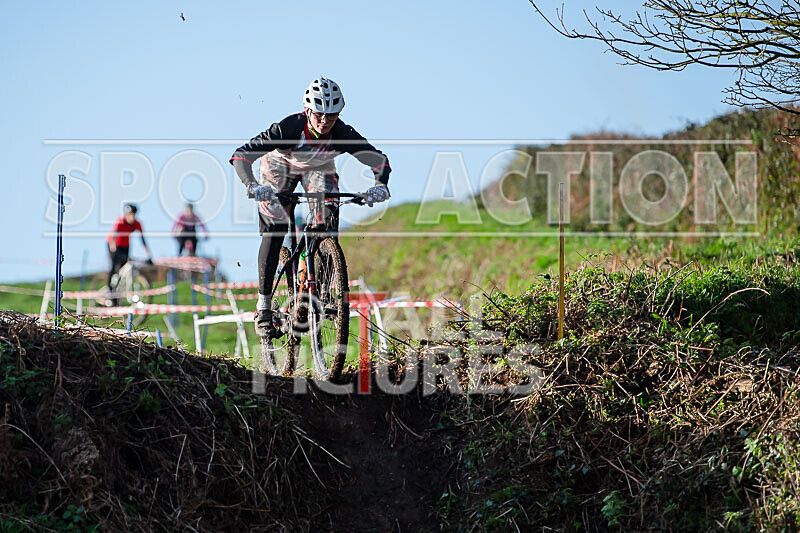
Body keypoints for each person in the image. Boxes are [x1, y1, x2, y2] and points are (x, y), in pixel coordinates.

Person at [229, 76, 391, 337]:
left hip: (317, 169)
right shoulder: (287, 128)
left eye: (331, 116)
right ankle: (264, 307)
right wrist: (251, 185)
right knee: (276, 228)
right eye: (319, 115)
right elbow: (241, 155)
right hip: (279, 167)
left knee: (328, 214)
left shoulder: (341, 133)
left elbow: (379, 160)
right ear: (307, 111)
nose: (325, 121)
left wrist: (380, 185)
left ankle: (323, 286)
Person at [106, 203, 153, 290]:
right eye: (130, 215)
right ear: (126, 215)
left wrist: (148, 255)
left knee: (125, 266)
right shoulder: (120, 222)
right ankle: (110, 289)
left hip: (125, 245)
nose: (132, 217)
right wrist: (113, 248)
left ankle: (119, 288)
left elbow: (143, 240)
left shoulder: (137, 224)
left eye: (134, 215)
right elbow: (114, 236)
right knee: (115, 266)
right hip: (114, 245)